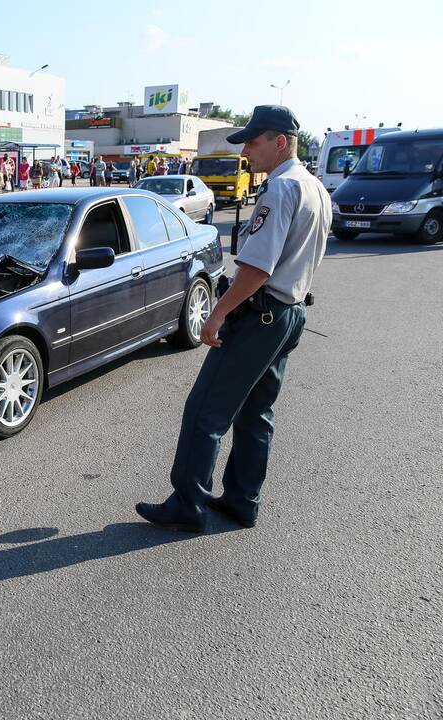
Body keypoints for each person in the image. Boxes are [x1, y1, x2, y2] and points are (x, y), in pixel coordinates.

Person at [136, 105, 331, 532]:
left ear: (281, 142)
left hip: (261, 315)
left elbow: (258, 268)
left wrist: (216, 315)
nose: (246, 151)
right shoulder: (315, 187)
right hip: (289, 313)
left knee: (205, 410)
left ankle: (188, 502)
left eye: (253, 142)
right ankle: (243, 501)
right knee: (256, 412)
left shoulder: (280, 190)